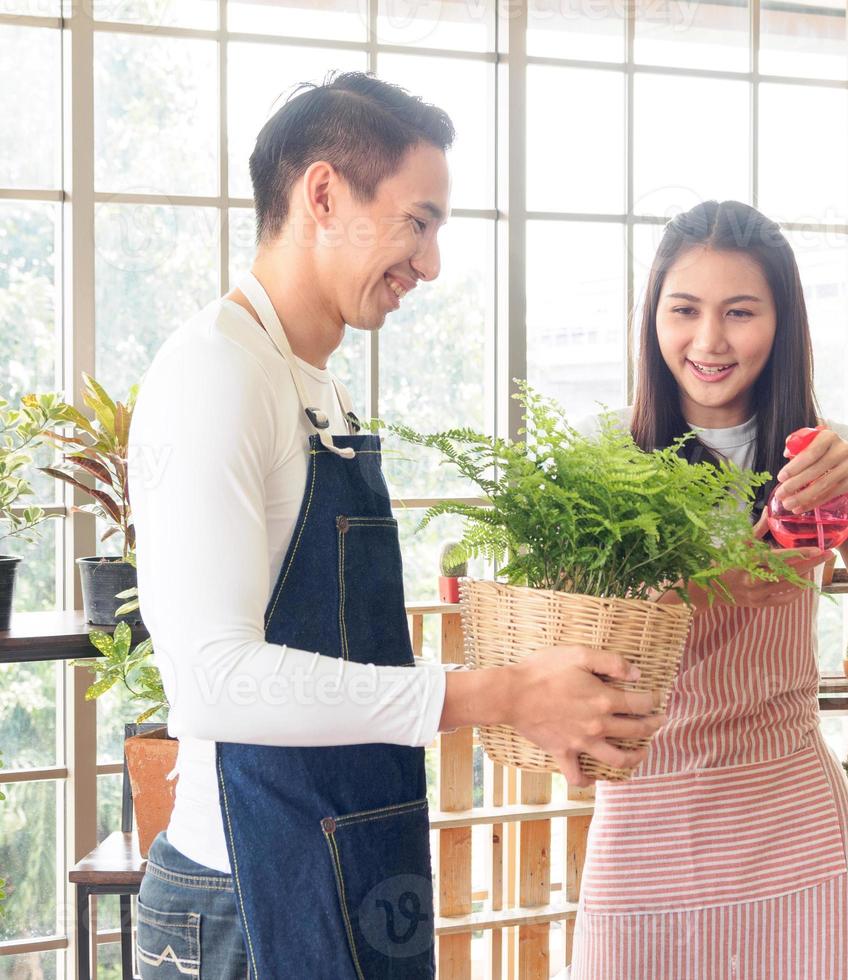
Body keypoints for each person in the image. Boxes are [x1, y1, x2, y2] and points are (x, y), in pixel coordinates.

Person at [127, 72, 664, 980]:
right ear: (325, 195)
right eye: (419, 221)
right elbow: (215, 682)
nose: (432, 262)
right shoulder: (216, 375)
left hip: (340, 862)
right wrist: (498, 694)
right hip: (245, 898)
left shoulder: (316, 385)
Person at [568, 200, 848, 980]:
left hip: (791, 816)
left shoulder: (822, 455)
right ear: (652, 321)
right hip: (645, 824)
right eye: (684, 311)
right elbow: (587, 659)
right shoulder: (608, 465)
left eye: (739, 312)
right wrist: (733, 580)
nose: (707, 341)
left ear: (782, 322)